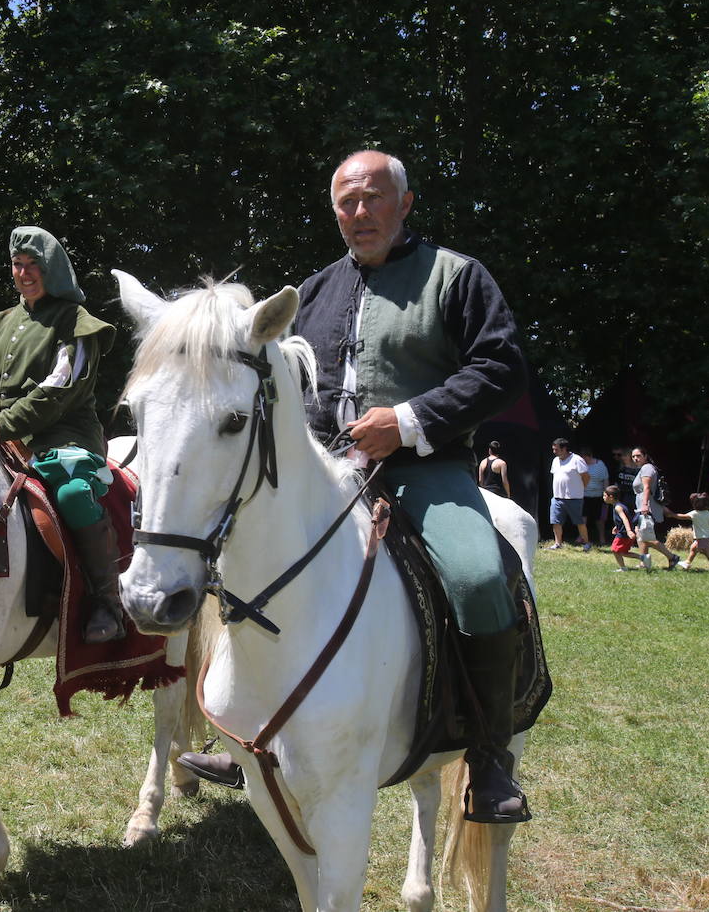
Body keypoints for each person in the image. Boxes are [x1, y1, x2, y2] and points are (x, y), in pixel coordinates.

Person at [180, 151, 533, 824]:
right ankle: (250, 729)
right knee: (244, 573)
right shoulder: (312, 292)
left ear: (404, 202)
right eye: (347, 202)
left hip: (425, 468)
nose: (360, 212)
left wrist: (409, 421)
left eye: (373, 198)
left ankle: (488, 757)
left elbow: (502, 367)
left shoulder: (457, 277)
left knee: (479, 576)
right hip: (326, 471)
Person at [0, 226, 124, 644]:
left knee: (71, 494)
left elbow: (59, 388)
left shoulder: (75, 323)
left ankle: (109, 601)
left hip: (62, 437)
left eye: (34, 265)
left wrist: (3, 422)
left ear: (52, 270)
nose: (24, 272)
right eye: (18, 264)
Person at [631, 447, 679, 570]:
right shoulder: (644, 468)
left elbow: (647, 488)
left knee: (646, 537)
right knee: (641, 535)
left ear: (645, 456)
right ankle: (644, 562)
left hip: (647, 507)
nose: (635, 458)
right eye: (633, 456)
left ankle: (672, 557)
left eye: (638, 456)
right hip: (644, 506)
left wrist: (645, 505)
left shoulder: (647, 468)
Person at [547, 438, 591, 551]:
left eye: (556, 449)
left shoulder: (577, 460)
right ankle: (558, 543)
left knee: (579, 522)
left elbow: (586, 476)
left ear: (564, 449)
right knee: (555, 521)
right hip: (557, 497)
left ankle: (586, 543)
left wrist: (581, 488)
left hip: (574, 498)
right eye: (553, 449)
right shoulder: (555, 460)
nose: (554, 451)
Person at [663, 492, 709, 571]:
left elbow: (681, 517)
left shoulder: (694, 514)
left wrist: (671, 514)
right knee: (694, 548)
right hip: (707, 536)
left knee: (707, 553)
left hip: (702, 537)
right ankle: (687, 563)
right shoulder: (708, 513)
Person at [581, 447, 610, 545]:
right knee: (583, 518)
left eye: (585, 458)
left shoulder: (600, 465)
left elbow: (605, 479)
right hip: (584, 496)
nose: (584, 460)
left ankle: (602, 539)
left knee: (600, 519)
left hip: (598, 496)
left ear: (590, 456)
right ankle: (583, 538)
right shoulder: (581, 465)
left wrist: (606, 493)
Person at [605, 485, 637, 571]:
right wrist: (616, 526)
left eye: (605, 495)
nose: (603, 498)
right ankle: (643, 558)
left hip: (623, 533)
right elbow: (624, 519)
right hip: (623, 531)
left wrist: (629, 531)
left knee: (615, 550)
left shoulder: (618, 507)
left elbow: (625, 519)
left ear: (611, 497)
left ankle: (623, 568)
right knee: (623, 552)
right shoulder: (619, 505)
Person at [613, 447, 639, 513]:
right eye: (622, 456)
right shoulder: (620, 468)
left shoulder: (637, 469)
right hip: (621, 496)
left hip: (633, 496)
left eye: (625, 456)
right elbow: (616, 482)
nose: (623, 458)